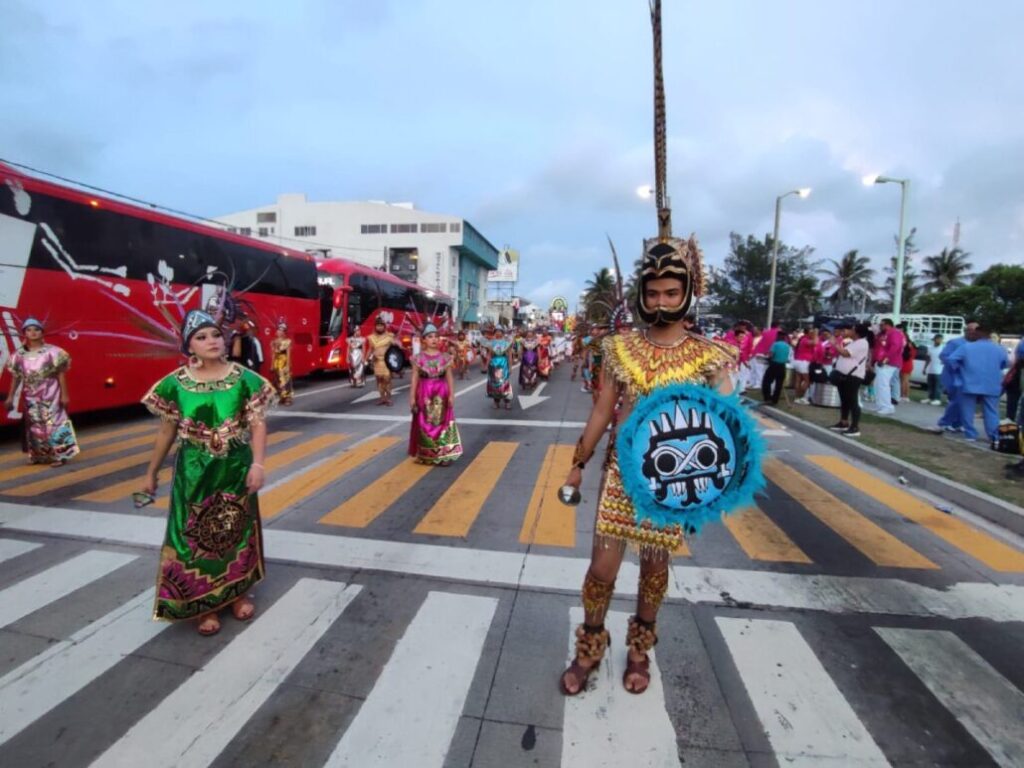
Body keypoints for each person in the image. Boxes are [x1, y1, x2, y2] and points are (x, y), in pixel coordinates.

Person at [559, 235, 738, 697]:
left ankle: (640, 648)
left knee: (655, 569)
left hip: (674, 480)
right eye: (654, 292)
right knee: (601, 569)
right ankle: (590, 647)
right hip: (622, 472)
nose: (661, 302)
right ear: (642, 294)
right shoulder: (619, 349)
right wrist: (579, 462)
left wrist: (712, 479)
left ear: (687, 294)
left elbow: (726, 421)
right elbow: (602, 409)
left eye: (671, 293)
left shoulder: (708, 355)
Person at [141, 309, 274, 636]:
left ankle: (237, 593)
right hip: (194, 471)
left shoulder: (244, 379)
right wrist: (151, 472)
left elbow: (258, 425)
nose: (211, 341)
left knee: (235, 530)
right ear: (189, 347)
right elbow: (165, 433)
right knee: (194, 536)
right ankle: (204, 606)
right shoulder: (175, 385)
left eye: (215, 334)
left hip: (235, 467)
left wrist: (258, 463)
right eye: (201, 337)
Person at [3, 317, 80, 466]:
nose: (33, 333)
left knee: (55, 422)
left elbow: (61, 374)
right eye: (29, 330)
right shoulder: (18, 355)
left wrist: (64, 395)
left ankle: (60, 455)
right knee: (34, 425)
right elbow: (16, 377)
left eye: (36, 329)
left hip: (51, 392)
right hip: (30, 395)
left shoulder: (53, 352)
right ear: (24, 333)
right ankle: (38, 455)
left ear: (42, 332)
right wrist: (11, 397)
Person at [408, 324, 463, 465]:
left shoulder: (445, 357)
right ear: (423, 340)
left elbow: (449, 377)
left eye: (436, 336)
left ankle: (444, 455)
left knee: (442, 423)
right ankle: (425, 454)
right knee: (423, 422)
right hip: (424, 392)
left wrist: (452, 395)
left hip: (441, 392)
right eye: (430, 336)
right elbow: (414, 378)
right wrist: (412, 398)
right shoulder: (417, 358)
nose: (434, 339)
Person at [947, 323, 1007, 443]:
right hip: (992, 383)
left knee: (967, 410)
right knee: (991, 410)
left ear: (977, 333)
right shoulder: (1000, 349)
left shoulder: (967, 347)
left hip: (969, 382)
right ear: (989, 335)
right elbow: (1005, 363)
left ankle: (971, 434)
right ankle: (993, 436)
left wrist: (959, 369)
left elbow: (951, 359)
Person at [829, 323, 872, 437]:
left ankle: (855, 426)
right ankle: (843, 422)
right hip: (845, 375)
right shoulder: (854, 342)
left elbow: (845, 353)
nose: (849, 331)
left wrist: (834, 344)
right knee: (845, 400)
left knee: (852, 401)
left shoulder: (862, 343)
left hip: (853, 376)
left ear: (857, 332)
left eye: (851, 329)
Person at [936, 323, 976, 433]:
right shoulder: (955, 342)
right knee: (957, 400)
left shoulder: (977, 344)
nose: (973, 332)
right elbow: (944, 356)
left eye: (976, 330)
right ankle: (946, 422)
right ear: (966, 331)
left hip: (969, 378)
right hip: (953, 376)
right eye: (971, 330)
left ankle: (958, 423)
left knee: (965, 402)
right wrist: (958, 366)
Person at [872, 318, 905, 415]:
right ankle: (880, 405)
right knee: (878, 384)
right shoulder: (882, 335)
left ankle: (887, 406)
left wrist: (885, 359)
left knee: (883, 384)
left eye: (882, 325)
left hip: (889, 363)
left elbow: (895, 347)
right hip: (880, 362)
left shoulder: (894, 333)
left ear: (888, 325)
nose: (880, 327)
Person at [368, 318, 396, 406]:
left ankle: (388, 398)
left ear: (384, 327)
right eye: (378, 326)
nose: (379, 327)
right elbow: (370, 349)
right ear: (375, 327)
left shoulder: (389, 337)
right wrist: (365, 359)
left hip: (386, 361)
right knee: (379, 380)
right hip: (377, 361)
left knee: (387, 379)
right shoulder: (371, 337)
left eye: (381, 326)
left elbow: (395, 348)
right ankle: (382, 398)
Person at [485, 327, 514, 409]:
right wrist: (487, 365)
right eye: (496, 331)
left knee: (505, 383)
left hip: (503, 364)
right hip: (493, 364)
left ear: (502, 332)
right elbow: (489, 355)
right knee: (494, 384)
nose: (498, 333)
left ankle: (507, 402)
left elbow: (509, 356)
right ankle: (496, 401)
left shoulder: (506, 343)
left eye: (500, 331)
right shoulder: (491, 343)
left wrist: (510, 367)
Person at [762, 331, 791, 405]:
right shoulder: (787, 346)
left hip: (774, 364)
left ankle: (767, 398)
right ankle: (775, 400)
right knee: (779, 384)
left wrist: (767, 357)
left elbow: (771, 354)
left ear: (778, 337)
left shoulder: (775, 344)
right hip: (782, 366)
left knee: (767, 381)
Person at [269, 321, 293, 406]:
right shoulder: (274, 342)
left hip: (283, 362)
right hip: (276, 363)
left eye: (281, 331)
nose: (279, 332)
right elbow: (273, 354)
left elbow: (288, 354)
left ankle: (288, 397)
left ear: (284, 332)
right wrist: (272, 365)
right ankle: (281, 397)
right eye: (278, 330)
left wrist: (288, 365)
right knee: (277, 381)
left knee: (285, 380)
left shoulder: (287, 341)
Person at [792, 327, 817, 404]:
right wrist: (816, 334)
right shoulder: (805, 340)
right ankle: (801, 397)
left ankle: (796, 397)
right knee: (807, 381)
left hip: (798, 361)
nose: (812, 334)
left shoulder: (802, 339)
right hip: (804, 362)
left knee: (798, 379)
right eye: (811, 333)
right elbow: (815, 343)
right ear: (807, 333)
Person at [1004, 335, 1024, 422]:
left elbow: (1011, 361)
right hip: (1019, 371)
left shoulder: (1021, 342)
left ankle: (1010, 424)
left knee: (1012, 402)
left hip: (1017, 372)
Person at [923, 334, 945, 405]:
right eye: (937, 339)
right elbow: (928, 358)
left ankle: (937, 399)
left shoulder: (943, 348)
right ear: (934, 340)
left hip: (940, 369)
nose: (939, 340)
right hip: (931, 368)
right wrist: (925, 368)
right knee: (930, 384)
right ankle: (930, 398)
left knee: (938, 385)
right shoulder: (930, 348)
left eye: (940, 339)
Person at [899, 324, 916, 402]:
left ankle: (903, 395)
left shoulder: (905, 342)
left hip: (905, 362)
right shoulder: (911, 343)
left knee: (903, 380)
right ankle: (905, 395)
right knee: (906, 380)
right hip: (909, 362)